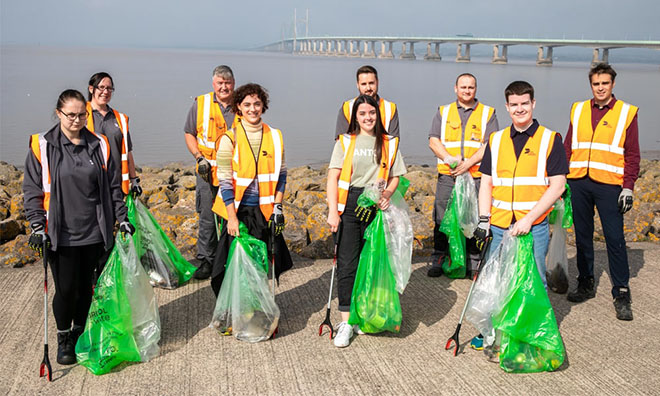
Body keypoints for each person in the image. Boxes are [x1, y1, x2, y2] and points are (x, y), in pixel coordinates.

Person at [23, 89, 134, 365]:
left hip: (94, 230)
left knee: (86, 288)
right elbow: (31, 190)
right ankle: (63, 338)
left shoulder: (101, 144)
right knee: (66, 289)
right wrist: (37, 226)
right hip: (60, 232)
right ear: (58, 113)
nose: (77, 120)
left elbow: (113, 189)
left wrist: (122, 218)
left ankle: (79, 332)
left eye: (82, 115)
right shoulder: (43, 145)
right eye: (70, 115)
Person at [473, 81, 568, 353]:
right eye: (514, 105)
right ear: (507, 107)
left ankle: (534, 335)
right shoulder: (497, 139)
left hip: (533, 227)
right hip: (500, 226)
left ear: (533, 104)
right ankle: (493, 331)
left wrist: (528, 219)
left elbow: (558, 186)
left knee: (534, 281)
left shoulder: (550, 139)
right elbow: (487, 184)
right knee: (497, 281)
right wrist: (483, 220)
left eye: (524, 103)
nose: (519, 109)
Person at [327, 94, 407, 348]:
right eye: (362, 114)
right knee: (348, 263)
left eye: (371, 113)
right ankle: (346, 322)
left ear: (378, 115)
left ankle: (366, 313)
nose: (368, 118)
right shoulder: (345, 141)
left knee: (373, 262)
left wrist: (385, 195)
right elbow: (332, 177)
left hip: (375, 207)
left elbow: (395, 175)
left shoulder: (389, 143)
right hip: (349, 206)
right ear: (356, 117)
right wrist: (332, 212)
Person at [563, 64, 640, 321]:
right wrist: (561, 179)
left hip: (609, 185)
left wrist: (628, 186)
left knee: (615, 239)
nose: (600, 88)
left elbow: (632, 154)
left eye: (605, 83)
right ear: (591, 85)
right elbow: (568, 146)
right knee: (583, 236)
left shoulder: (626, 113)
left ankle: (621, 292)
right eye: (596, 84)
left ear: (613, 84)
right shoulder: (578, 108)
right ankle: (585, 282)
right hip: (579, 183)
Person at [209, 83, 293, 298]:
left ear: (263, 106)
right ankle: (232, 311)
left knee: (260, 265)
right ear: (239, 107)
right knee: (230, 267)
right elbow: (225, 182)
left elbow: (281, 176)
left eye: (257, 104)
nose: (252, 109)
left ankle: (259, 310)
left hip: (265, 211)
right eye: (247, 104)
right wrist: (231, 218)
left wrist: (278, 208)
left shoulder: (276, 136)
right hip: (237, 211)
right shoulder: (229, 139)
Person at [427, 73, 499, 279]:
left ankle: (473, 262)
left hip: (475, 176)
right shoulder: (444, 112)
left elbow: (490, 144)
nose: (467, 91)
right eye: (463, 87)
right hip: (448, 176)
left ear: (476, 89)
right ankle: (439, 258)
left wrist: (468, 163)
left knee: (474, 219)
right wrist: (451, 159)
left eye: (471, 87)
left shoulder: (488, 113)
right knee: (441, 219)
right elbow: (433, 140)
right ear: (455, 88)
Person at [183, 65, 237, 280]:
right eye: (220, 83)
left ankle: (232, 258)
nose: (224, 87)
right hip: (207, 170)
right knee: (207, 216)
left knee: (232, 216)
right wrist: (198, 157)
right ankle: (207, 260)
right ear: (213, 83)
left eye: (228, 83)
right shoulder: (201, 104)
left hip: (233, 172)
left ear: (233, 84)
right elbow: (189, 133)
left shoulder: (241, 104)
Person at [86, 72, 141, 197]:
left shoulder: (120, 119)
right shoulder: (80, 116)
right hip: (89, 185)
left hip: (116, 185)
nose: (105, 92)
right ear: (91, 89)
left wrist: (134, 180)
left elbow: (127, 152)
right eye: (101, 87)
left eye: (109, 88)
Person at [334, 65, 400, 140]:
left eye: (371, 83)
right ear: (357, 85)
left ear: (377, 82)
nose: (368, 88)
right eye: (364, 84)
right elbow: (340, 142)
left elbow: (394, 142)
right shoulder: (347, 108)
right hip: (354, 151)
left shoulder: (390, 108)